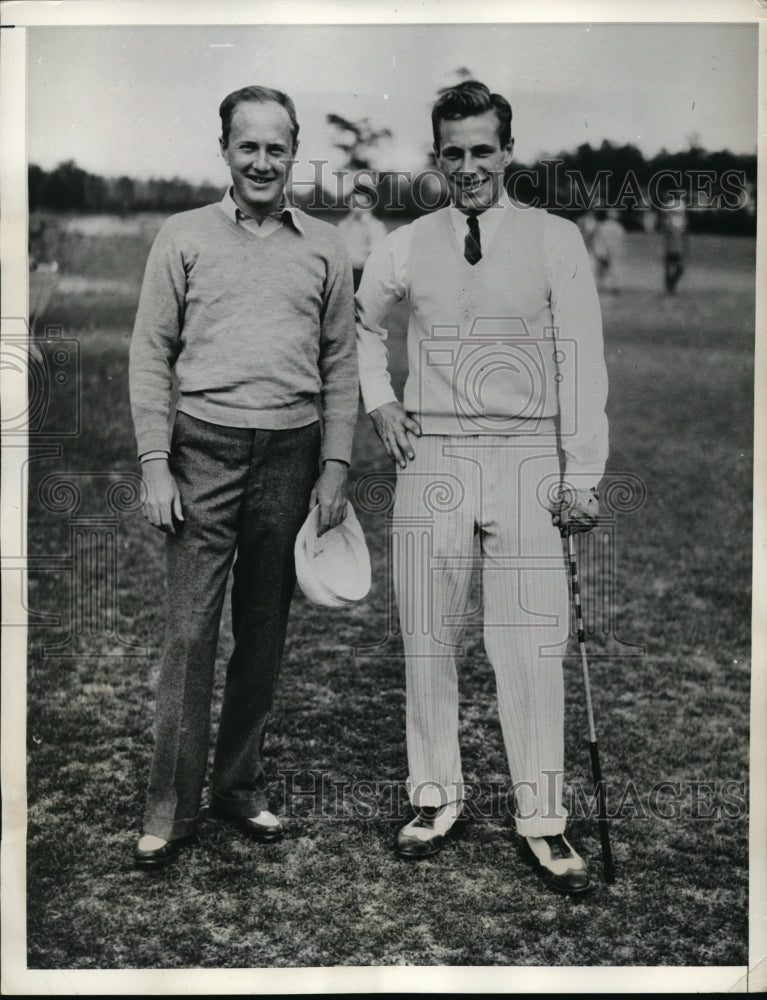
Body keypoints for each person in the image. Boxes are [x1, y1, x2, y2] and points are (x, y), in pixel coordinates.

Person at [356, 81, 608, 895]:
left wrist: (582, 475)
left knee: (531, 642)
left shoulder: (554, 239)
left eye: (481, 151)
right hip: (433, 456)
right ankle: (433, 796)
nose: (468, 167)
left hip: (530, 456)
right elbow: (361, 325)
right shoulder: (404, 244)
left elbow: (581, 361)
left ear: (506, 150)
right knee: (428, 633)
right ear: (436, 157)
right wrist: (380, 400)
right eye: (452, 153)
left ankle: (543, 817)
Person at [129, 85, 358, 868]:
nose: (262, 161)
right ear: (224, 149)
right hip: (201, 454)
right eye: (247, 146)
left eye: (276, 147)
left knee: (262, 633)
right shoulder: (181, 235)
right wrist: (156, 463)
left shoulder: (325, 246)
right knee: (191, 632)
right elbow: (150, 353)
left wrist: (334, 464)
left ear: (294, 152)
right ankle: (170, 809)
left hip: (290, 458)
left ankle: (236, 787)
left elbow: (339, 362)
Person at [337, 187, 388, 290]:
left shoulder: (376, 226)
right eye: (352, 201)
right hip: (342, 273)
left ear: (369, 205)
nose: (354, 205)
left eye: (360, 202)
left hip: (364, 274)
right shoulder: (343, 224)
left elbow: (376, 256)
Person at [660, 192, 688, 294]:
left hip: (674, 247)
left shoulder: (675, 223)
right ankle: (670, 286)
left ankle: (670, 285)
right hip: (673, 247)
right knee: (674, 267)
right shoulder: (674, 223)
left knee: (674, 268)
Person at [592, 208, 625, 293]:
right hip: (613, 251)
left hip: (602, 251)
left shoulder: (602, 226)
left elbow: (597, 239)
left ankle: (597, 286)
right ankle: (614, 286)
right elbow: (620, 241)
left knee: (600, 271)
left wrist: (598, 250)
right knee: (614, 269)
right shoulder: (619, 228)